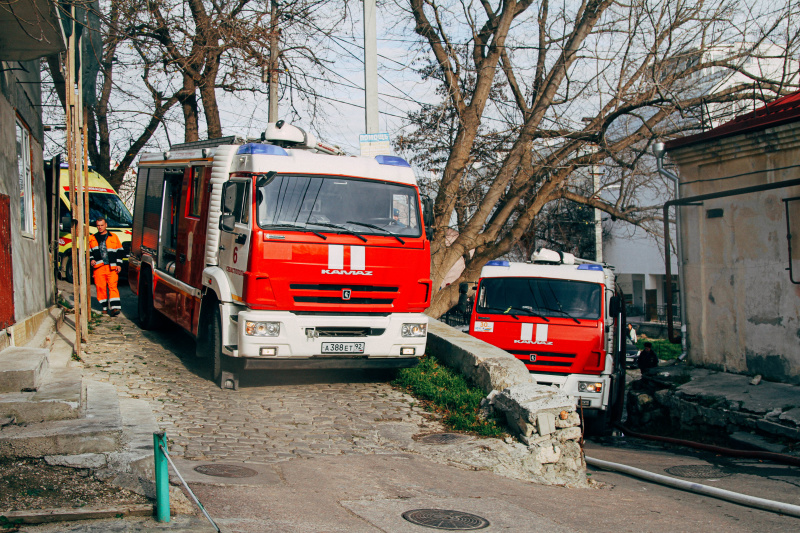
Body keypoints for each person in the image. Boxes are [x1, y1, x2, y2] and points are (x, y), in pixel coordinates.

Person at [89, 217, 123, 317]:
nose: (100, 227)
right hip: (99, 267)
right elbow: (89, 252)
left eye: (102, 225)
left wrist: (119, 265)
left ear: (106, 225)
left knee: (113, 286)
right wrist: (92, 259)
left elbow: (120, 251)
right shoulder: (92, 238)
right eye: (98, 225)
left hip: (112, 267)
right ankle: (104, 307)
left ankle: (115, 308)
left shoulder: (113, 237)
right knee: (100, 287)